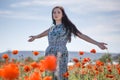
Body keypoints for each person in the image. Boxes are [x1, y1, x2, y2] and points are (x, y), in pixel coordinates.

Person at [28, 6, 107, 80]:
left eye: (58, 12)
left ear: (63, 15)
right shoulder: (52, 28)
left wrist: (97, 43)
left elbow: (82, 35)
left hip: (61, 53)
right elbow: (43, 33)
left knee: (60, 75)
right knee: (49, 76)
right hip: (49, 53)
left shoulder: (68, 26)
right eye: (54, 12)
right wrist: (35, 37)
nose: (56, 14)